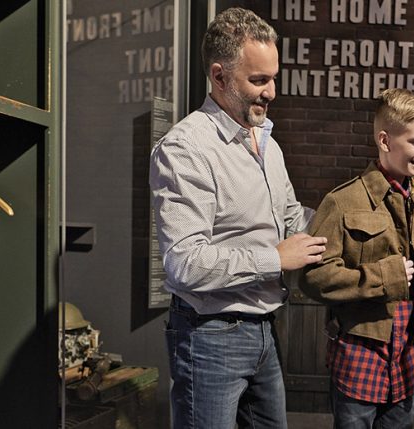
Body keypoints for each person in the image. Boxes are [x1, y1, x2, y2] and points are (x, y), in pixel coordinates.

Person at [149, 7, 327, 429]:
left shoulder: (269, 144)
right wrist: (274, 259)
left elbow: (291, 219)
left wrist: (350, 222)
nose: (272, 92)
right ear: (219, 76)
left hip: (265, 330)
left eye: (273, 78)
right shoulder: (184, 150)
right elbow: (184, 263)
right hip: (209, 337)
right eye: (259, 80)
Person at [292, 88, 414, 428]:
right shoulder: (342, 202)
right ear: (385, 140)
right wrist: (382, 278)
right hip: (360, 359)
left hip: (407, 358)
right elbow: (313, 278)